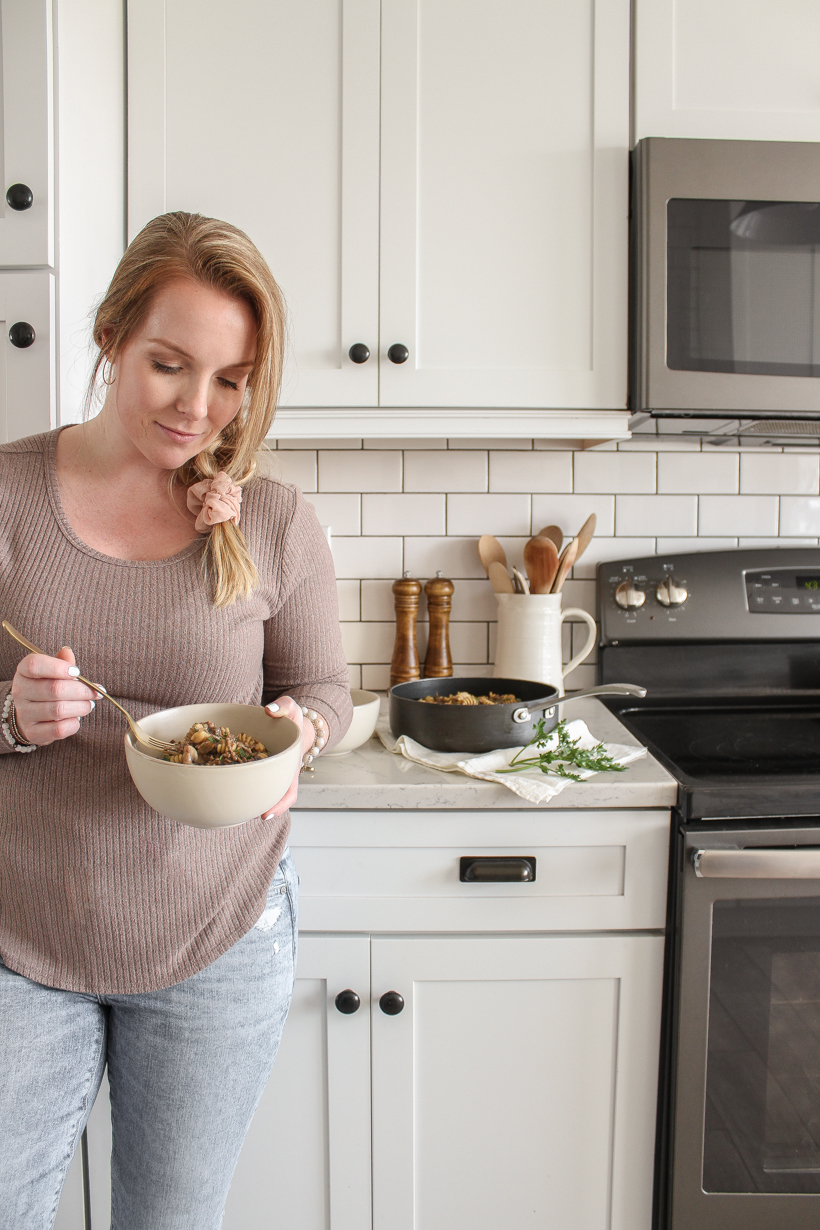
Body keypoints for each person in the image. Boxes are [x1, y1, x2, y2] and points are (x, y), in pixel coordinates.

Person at [0, 211, 352, 1228]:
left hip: (217, 934)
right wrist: (14, 719)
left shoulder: (272, 518)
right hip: (24, 934)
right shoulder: (10, 497)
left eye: (231, 379)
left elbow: (325, 690)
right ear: (111, 336)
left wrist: (298, 732)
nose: (198, 408)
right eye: (169, 364)